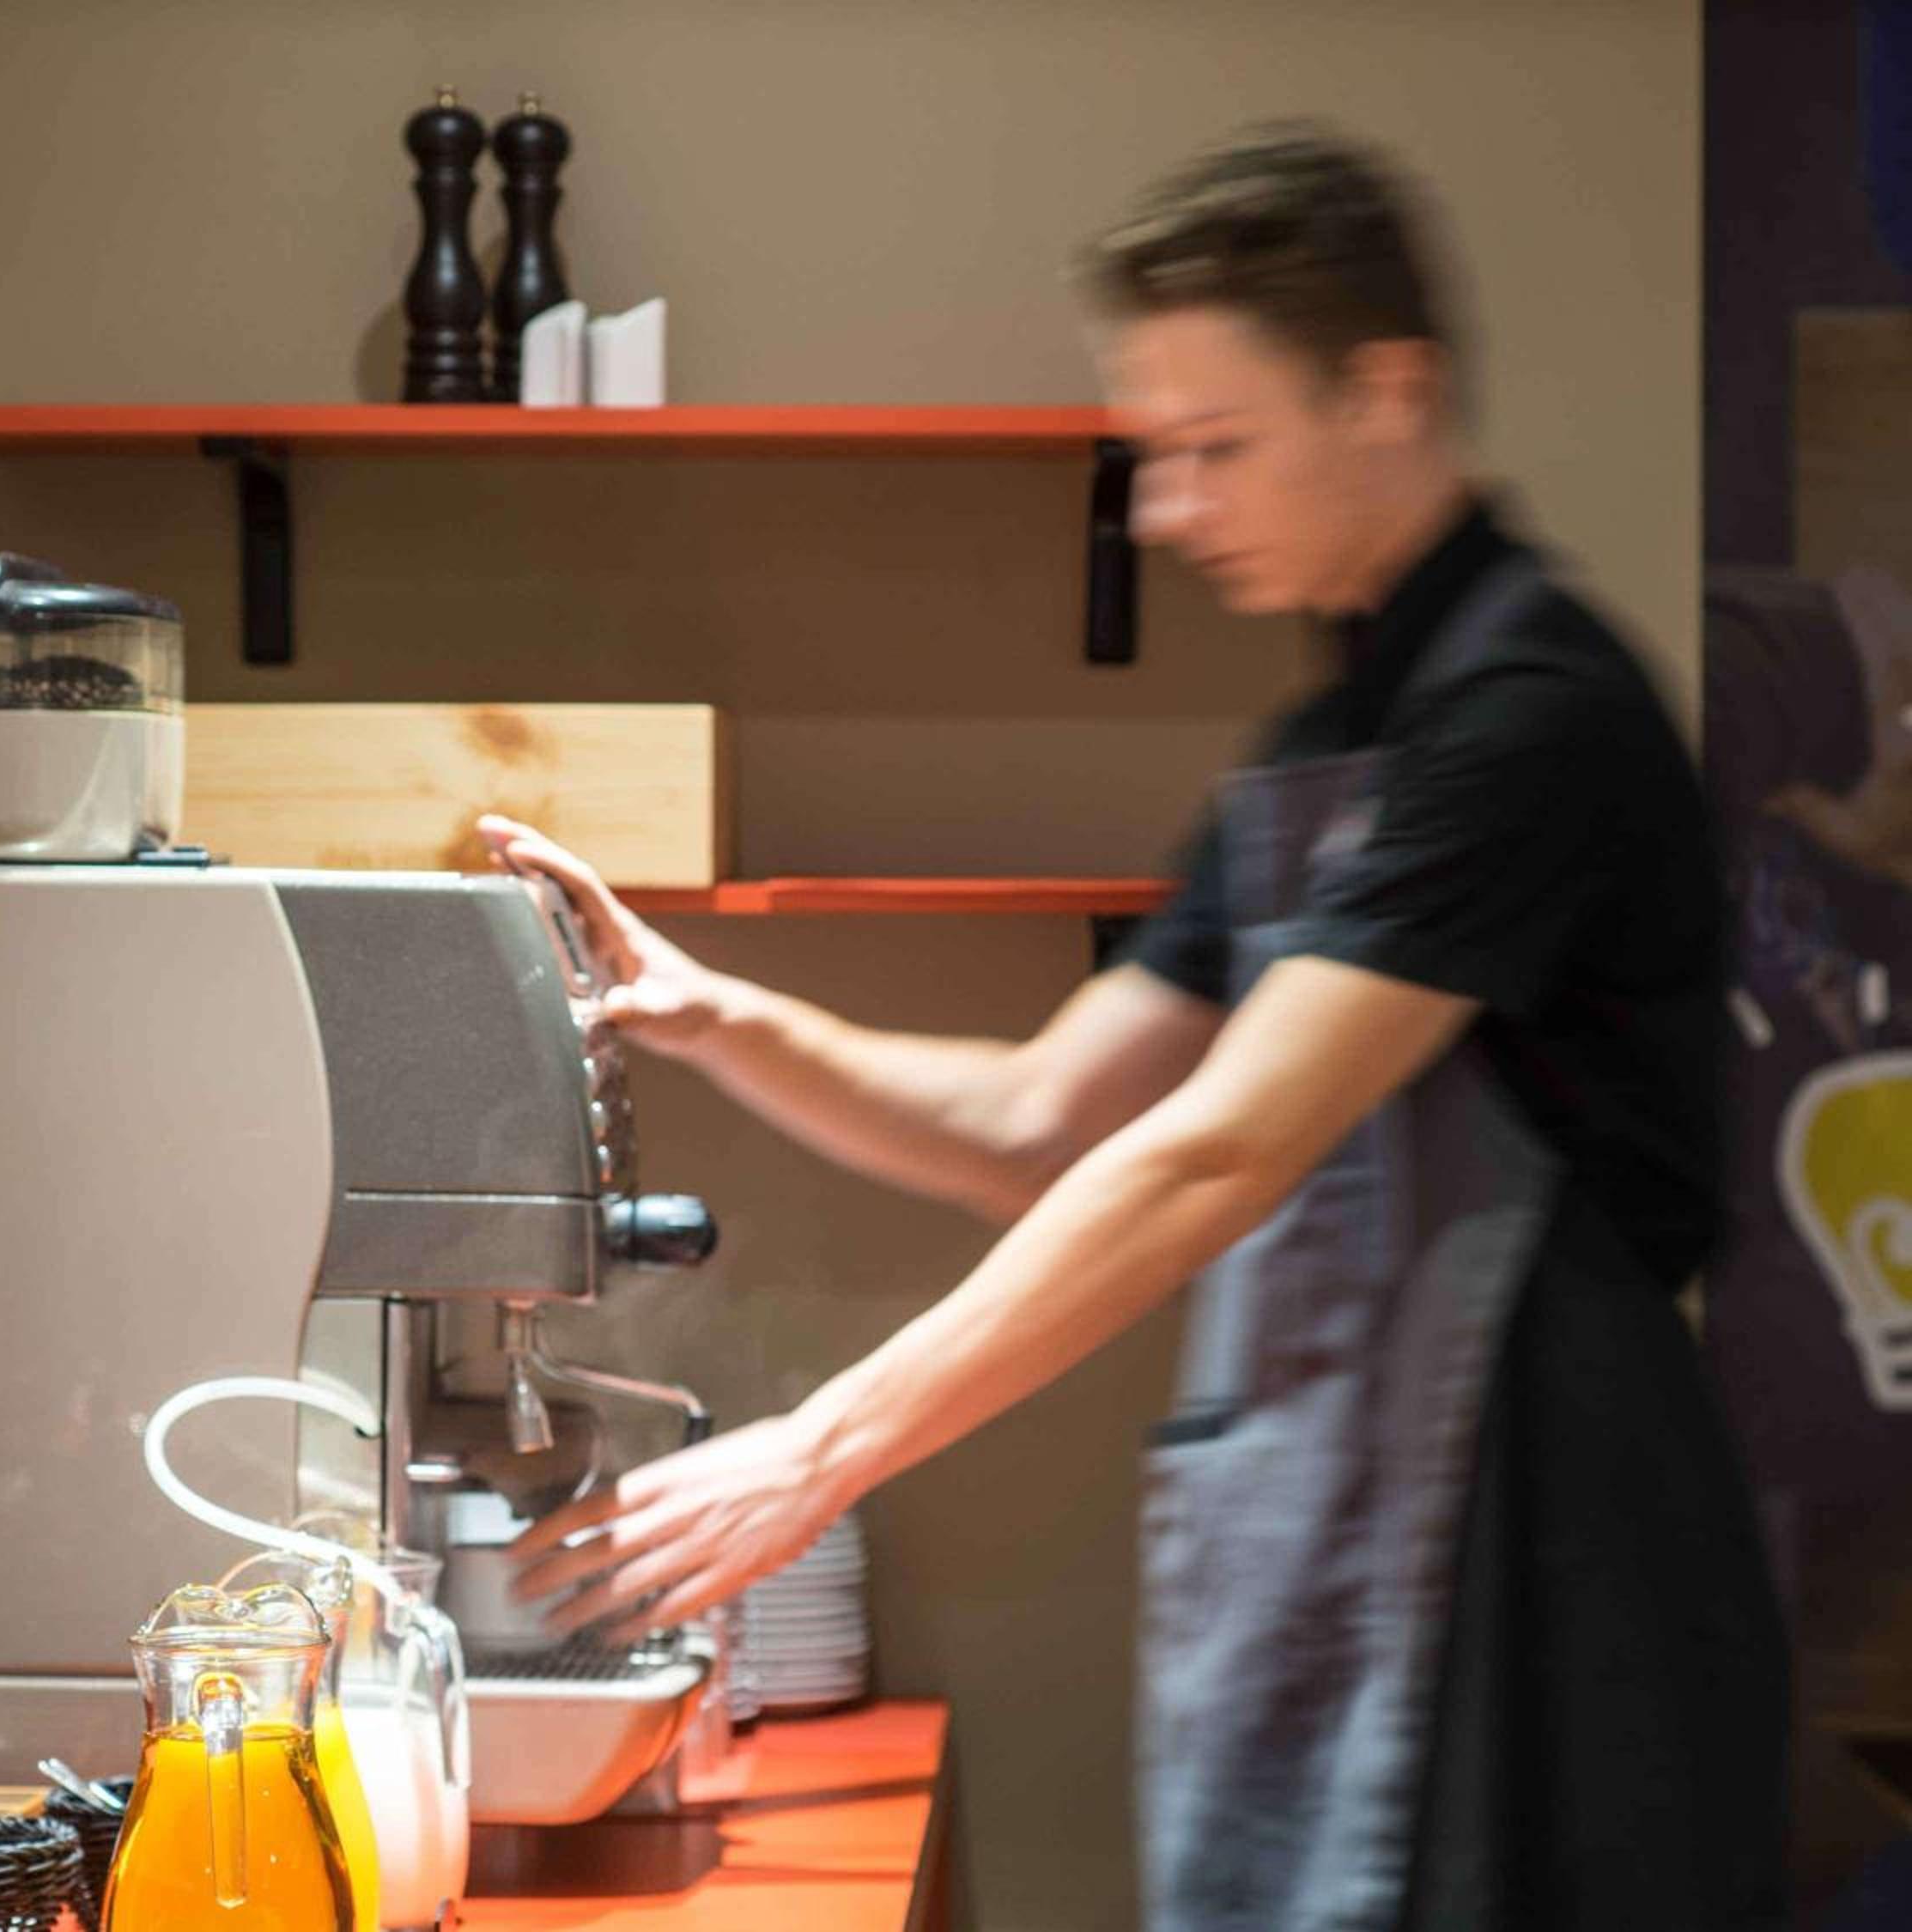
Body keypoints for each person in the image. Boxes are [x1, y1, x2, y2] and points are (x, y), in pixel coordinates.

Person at [484, 125, 1788, 1930]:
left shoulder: (1527, 717)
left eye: (1213, 446)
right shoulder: (1325, 752)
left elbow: (1216, 1150)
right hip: (1358, 1526)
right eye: (1154, 452)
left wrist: (822, 1445)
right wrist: (715, 1014)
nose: (1166, 510)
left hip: (1555, 1574)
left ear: (1386, 393)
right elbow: (1037, 1121)